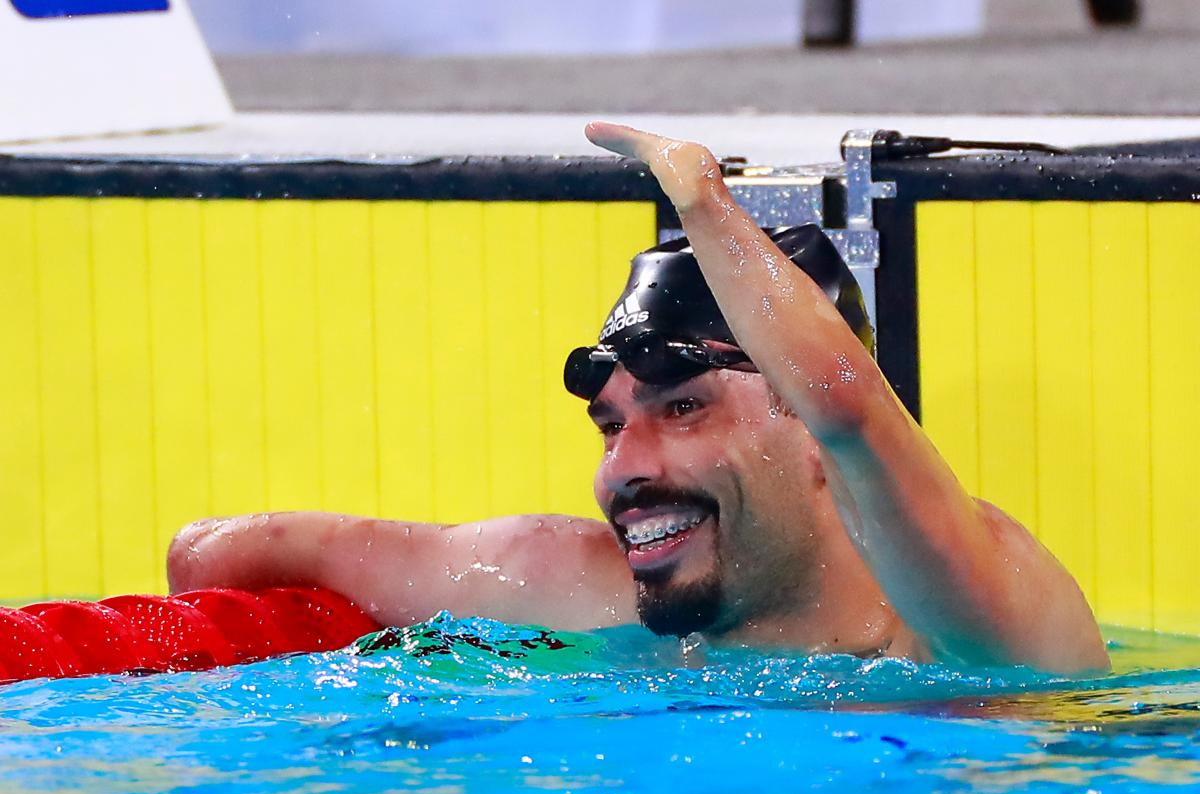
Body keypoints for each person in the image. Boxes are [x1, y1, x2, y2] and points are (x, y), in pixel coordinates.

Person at [168, 123, 1109, 673]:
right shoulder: (575, 586)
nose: (627, 469)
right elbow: (211, 555)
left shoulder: (962, 613)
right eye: (612, 426)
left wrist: (705, 206)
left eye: (684, 409)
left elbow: (851, 409)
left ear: (806, 434)